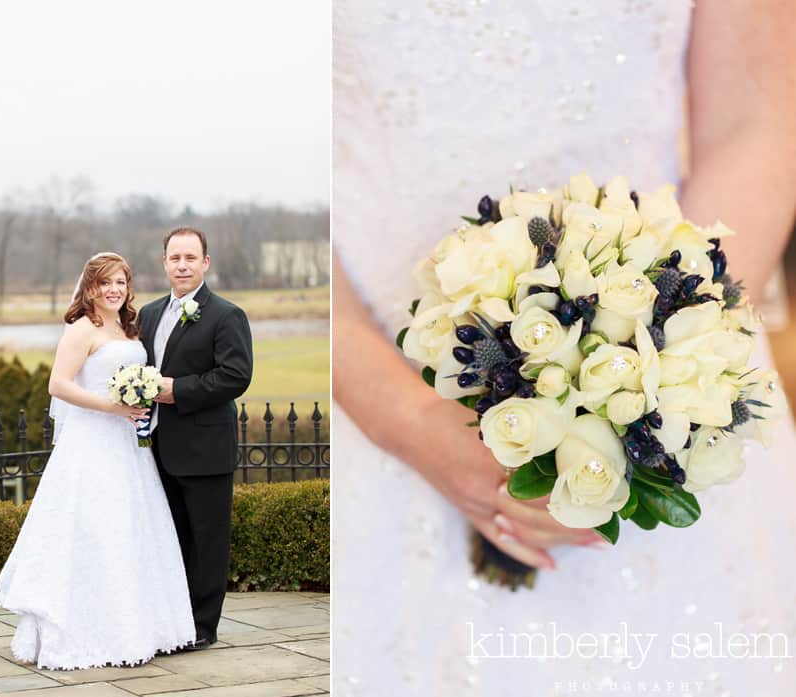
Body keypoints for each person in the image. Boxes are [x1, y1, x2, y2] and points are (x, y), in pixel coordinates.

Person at [332, 1, 796, 694]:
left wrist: (662, 361)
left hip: (664, 371)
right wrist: (411, 420)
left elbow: (753, 123)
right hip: (378, 383)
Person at [0, 252, 196, 669]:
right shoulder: (81, 329)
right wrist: (111, 407)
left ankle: (133, 629)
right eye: (107, 282)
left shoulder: (128, 326)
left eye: (121, 281)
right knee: (94, 528)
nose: (115, 289)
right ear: (90, 287)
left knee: (128, 529)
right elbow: (58, 385)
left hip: (127, 445)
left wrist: (140, 396)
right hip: (92, 443)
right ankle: (82, 632)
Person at [139, 228, 253, 650]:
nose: (182, 265)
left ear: (206, 262)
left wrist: (176, 390)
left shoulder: (226, 315)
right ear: (164, 263)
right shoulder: (148, 315)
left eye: (190, 257)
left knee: (207, 543)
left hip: (206, 451)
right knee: (170, 540)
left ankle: (203, 627)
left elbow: (235, 376)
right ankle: (172, 620)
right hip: (157, 450)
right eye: (174, 258)